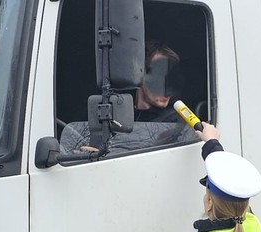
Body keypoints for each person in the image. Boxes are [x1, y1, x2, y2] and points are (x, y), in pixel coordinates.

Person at [59, 41, 193, 154]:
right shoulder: (110, 110)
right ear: (139, 74)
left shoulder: (176, 124)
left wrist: (108, 156)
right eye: (159, 75)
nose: (167, 87)